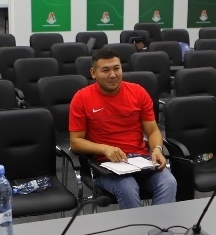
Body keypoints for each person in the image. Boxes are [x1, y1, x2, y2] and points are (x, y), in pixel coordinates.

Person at [69, 48, 177, 209]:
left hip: (140, 160)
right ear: (93, 73)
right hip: (105, 164)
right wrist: (105, 149)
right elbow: (76, 142)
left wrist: (157, 149)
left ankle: (157, 223)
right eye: (105, 70)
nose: (113, 75)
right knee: (128, 187)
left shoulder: (138, 92)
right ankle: (135, 226)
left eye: (116, 68)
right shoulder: (81, 98)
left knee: (169, 182)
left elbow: (153, 130)